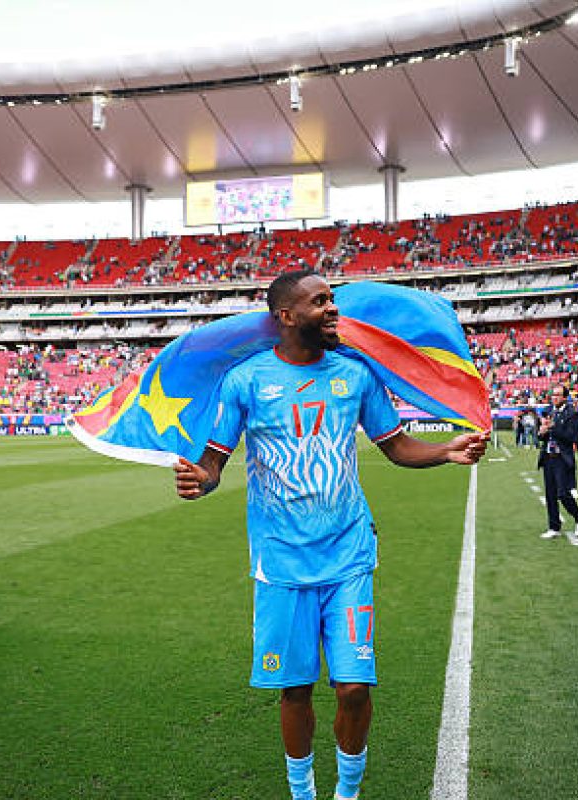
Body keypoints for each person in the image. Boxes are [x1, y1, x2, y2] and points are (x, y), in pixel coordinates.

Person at [172, 270, 488, 800]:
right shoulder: (246, 381)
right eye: (319, 301)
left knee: (354, 689)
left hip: (348, 554)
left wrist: (446, 451)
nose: (332, 308)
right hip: (281, 565)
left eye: (333, 298)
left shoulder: (356, 375)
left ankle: (347, 792)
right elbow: (212, 466)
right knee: (294, 690)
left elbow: (396, 445)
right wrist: (197, 482)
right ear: (286, 316)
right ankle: (303, 794)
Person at [537, 384, 578, 539]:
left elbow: (572, 437)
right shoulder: (550, 412)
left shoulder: (573, 414)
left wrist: (553, 427)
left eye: (558, 395)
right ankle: (554, 527)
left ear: (565, 397)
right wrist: (542, 432)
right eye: (553, 395)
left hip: (562, 458)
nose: (554, 398)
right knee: (550, 494)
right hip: (548, 457)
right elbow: (543, 437)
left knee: (563, 493)